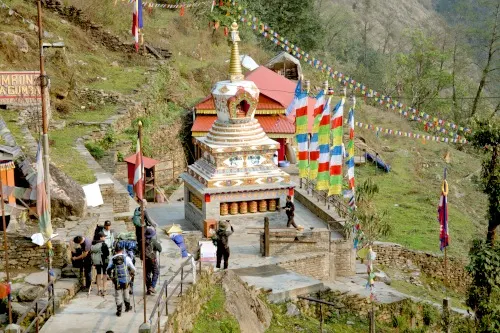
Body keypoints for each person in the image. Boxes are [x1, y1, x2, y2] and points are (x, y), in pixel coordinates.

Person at [107, 243, 135, 317]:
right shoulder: (126, 258)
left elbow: (108, 269)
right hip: (125, 279)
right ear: (122, 250)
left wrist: (111, 277)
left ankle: (119, 311)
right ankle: (127, 307)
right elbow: (133, 268)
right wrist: (132, 274)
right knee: (126, 293)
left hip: (117, 280)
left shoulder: (113, 259)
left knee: (118, 295)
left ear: (115, 250)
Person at [143, 227, 162, 295]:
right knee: (156, 272)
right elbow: (160, 249)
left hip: (145, 260)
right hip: (152, 259)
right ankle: (152, 286)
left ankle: (148, 288)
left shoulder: (143, 241)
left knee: (147, 274)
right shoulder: (153, 241)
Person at [91, 232, 110, 296]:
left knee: (98, 274)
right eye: (103, 236)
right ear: (100, 237)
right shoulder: (103, 244)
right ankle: (104, 290)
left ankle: (99, 290)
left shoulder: (93, 244)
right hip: (103, 261)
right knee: (104, 275)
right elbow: (107, 253)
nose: (104, 237)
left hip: (96, 261)